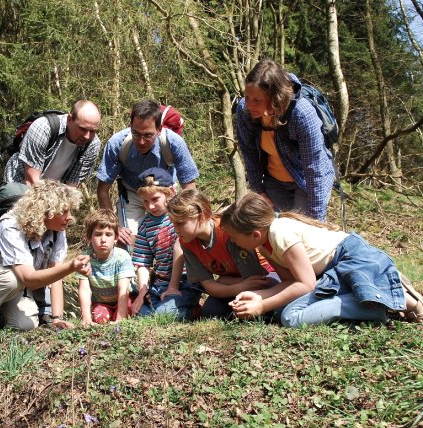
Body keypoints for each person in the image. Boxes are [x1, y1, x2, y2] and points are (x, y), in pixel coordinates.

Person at [220, 192, 423, 328]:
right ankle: (376, 291)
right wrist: (260, 297)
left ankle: (385, 297)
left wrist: (263, 306)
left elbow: (306, 284)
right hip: (328, 273)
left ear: (254, 234)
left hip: (350, 260)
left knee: (291, 317)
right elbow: (290, 282)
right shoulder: (263, 245)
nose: (234, 244)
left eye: (235, 238)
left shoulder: (279, 232)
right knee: (282, 309)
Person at [0, 180, 91, 339]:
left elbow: (55, 277)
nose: (70, 218)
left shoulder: (57, 231)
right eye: (64, 211)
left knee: (25, 325)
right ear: (46, 211)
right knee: (12, 278)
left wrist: (56, 318)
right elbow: (28, 279)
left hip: (9, 284)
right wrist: (71, 267)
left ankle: (2, 316)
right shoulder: (11, 226)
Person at [235, 58, 335, 221]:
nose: (249, 105)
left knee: (303, 233)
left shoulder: (301, 113)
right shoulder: (244, 111)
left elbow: (314, 169)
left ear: (275, 97)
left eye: (257, 100)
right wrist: (258, 190)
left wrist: (317, 222)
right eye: (247, 97)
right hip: (274, 181)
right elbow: (249, 152)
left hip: (305, 182)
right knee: (276, 233)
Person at [96, 98, 199, 248]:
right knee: (126, 242)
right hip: (132, 192)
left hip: (165, 192)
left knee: (177, 238)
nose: (141, 141)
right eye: (136, 134)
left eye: (148, 135)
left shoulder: (174, 143)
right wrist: (113, 225)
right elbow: (103, 190)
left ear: (159, 130)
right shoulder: (117, 143)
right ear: (130, 126)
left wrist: (191, 218)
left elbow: (190, 188)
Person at [166, 189, 276, 319]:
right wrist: (237, 286)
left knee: (251, 308)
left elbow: (256, 281)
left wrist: (225, 281)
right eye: (173, 223)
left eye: (180, 223)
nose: (176, 229)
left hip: (267, 276)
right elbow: (209, 286)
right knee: (210, 312)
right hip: (238, 284)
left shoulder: (227, 233)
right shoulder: (187, 243)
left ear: (201, 217)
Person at [131, 168, 201, 320]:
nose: (150, 206)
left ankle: (193, 310)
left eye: (155, 199)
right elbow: (143, 262)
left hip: (186, 281)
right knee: (142, 315)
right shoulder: (145, 224)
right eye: (145, 201)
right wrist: (143, 291)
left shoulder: (180, 217)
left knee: (164, 314)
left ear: (169, 193)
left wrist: (173, 287)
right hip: (160, 283)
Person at [3, 99, 101, 186]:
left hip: (53, 191)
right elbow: (31, 181)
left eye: (93, 131)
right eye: (83, 129)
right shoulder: (43, 128)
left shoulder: (92, 144)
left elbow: (72, 186)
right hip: (19, 182)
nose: (87, 136)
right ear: (69, 119)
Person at [77, 209, 137, 326]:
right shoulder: (84, 258)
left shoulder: (122, 257)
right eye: (98, 234)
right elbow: (84, 290)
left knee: (131, 312)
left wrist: (120, 318)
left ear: (115, 238)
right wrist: (86, 318)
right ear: (89, 237)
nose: (103, 240)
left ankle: (118, 315)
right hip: (101, 302)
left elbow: (123, 289)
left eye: (108, 235)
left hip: (126, 299)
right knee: (100, 318)